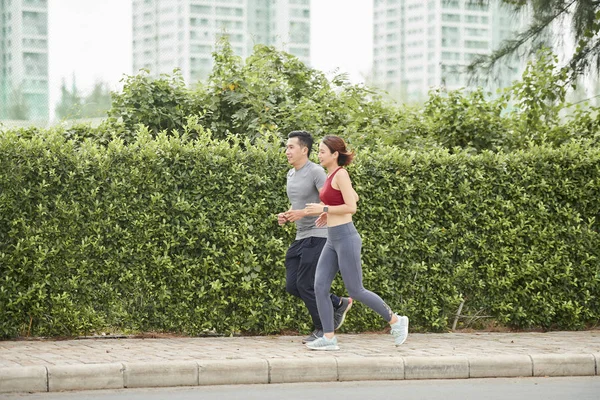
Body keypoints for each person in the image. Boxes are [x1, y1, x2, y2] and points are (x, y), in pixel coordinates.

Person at [303, 135, 409, 351]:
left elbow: (352, 207)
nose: (319, 155)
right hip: (332, 238)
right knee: (320, 287)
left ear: (335, 154)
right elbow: (354, 196)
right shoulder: (332, 174)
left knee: (356, 289)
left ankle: (397, 322)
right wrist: (329, 213)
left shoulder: (341, 174)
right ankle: (329, 338)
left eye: (323, 151)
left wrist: (324, 209)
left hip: (346, 237)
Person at [278, 131, 353, 344]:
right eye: (286, 147)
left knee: (307, 283)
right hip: (301, 235)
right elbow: (299, 203)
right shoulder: (291, 174)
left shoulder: (316, 172)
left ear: (304, 150)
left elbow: (328, 202)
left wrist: (304, 213)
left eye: (291, 147)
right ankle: (337, 303)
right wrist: (288, 214)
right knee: (293, 285)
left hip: (319, 234)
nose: (287, 151)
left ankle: (323, 329)